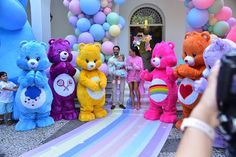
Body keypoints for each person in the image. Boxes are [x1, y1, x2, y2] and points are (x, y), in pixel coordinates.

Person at [176, 63, 220, 157]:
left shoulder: (205, 69)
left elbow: (199, 73)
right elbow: (177, 71)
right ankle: (186, 119)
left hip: (202, 106)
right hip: (193, 104)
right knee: (187, 111)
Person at [126, 45, 143, 110]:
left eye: (130, 52)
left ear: (134, 52)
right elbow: (127, 66)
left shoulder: (139, 58)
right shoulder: (128, 58)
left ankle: (138, 103)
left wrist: (134, 65)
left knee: (136, 89)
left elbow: (140, 68)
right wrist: (128, 67)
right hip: (130, 75)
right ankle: (133, 104)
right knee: (131, 89)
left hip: (136, 76)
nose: (129, 53)